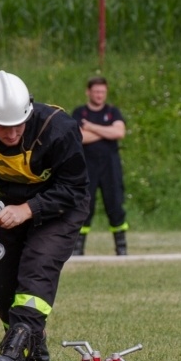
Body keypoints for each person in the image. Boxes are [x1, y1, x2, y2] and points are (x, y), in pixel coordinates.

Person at [0, 70, 89, 361]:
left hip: (61, 208)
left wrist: (30, 208)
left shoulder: (59, 129)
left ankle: (15, 349)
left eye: (17, 126)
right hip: (11, 207)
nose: (12, 135)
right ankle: (33, 349)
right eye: (2, 128)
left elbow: (75, 187)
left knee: (37, 268)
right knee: (3, 292)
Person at [71, 76, 129, 256]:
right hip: (87, 166)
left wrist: (92, 127)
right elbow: (79, 137)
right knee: (84, 205)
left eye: (102, 92)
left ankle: (121, 247)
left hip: (110, 166)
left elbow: (119, 132)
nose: (99, 95)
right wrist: (106, 131)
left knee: (115, 204)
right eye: (96, 91)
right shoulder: (80, 113)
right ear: (88, 92)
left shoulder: (113, 112)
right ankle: (78, 248)